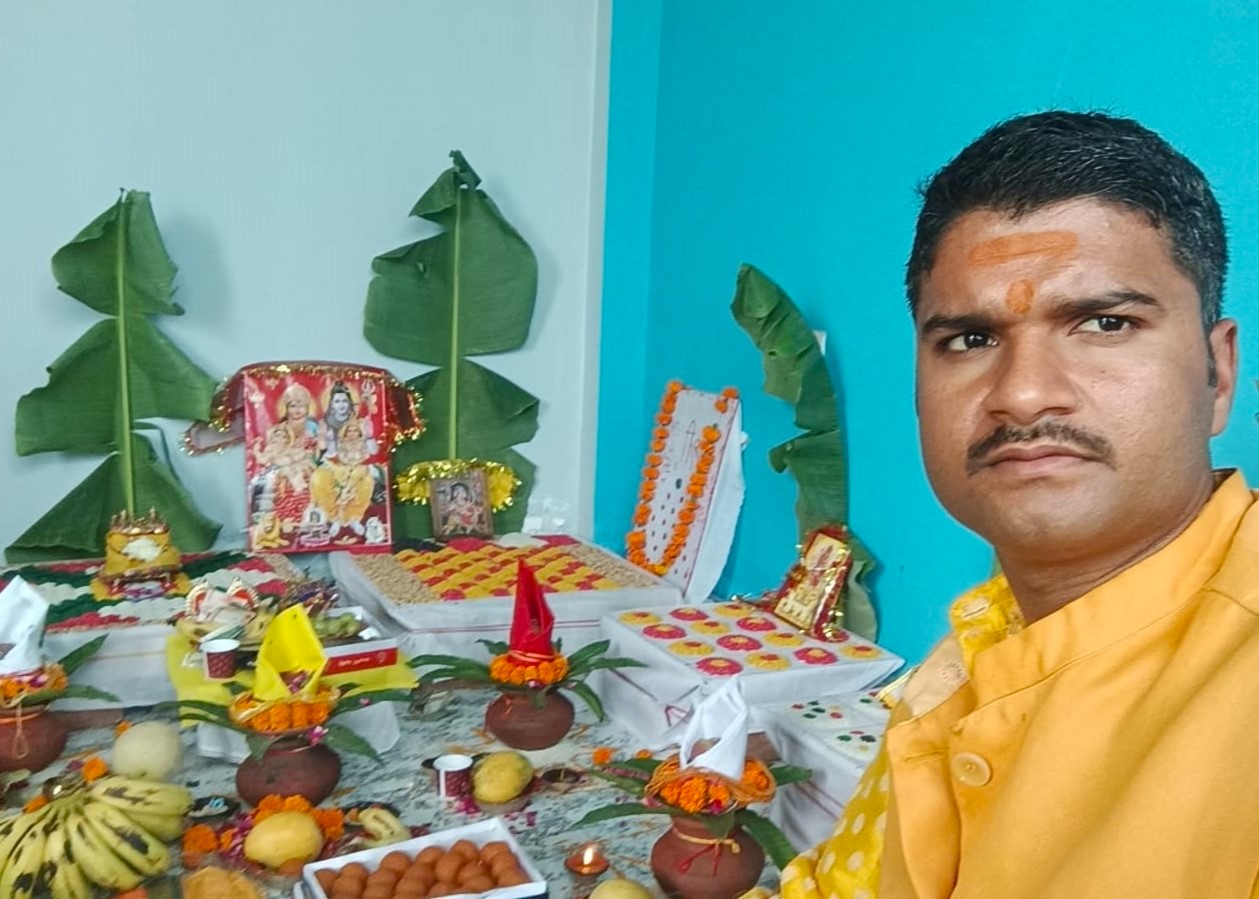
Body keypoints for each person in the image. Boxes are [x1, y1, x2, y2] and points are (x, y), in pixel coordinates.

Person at [776, 111, 1255, 898]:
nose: (1023, 392)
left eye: (1104, 323)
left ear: (1218, 374)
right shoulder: (976, 649)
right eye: (969, 339)